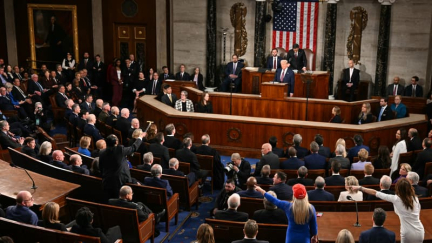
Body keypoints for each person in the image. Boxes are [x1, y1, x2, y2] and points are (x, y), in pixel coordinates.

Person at [352, 179, 425, 242]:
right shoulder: (416, 199)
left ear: (398, 189)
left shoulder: (396, 199)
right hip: (420, 230)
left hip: (407, 232)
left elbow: (375, 193)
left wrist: (360, 188)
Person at [99, 133, 145, 201]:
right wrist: (140, 137)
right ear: (116, 142)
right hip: (119, 181)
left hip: (107, 180)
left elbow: (101, 167)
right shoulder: (120, 149)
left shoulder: (102, 152)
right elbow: (133, 148)